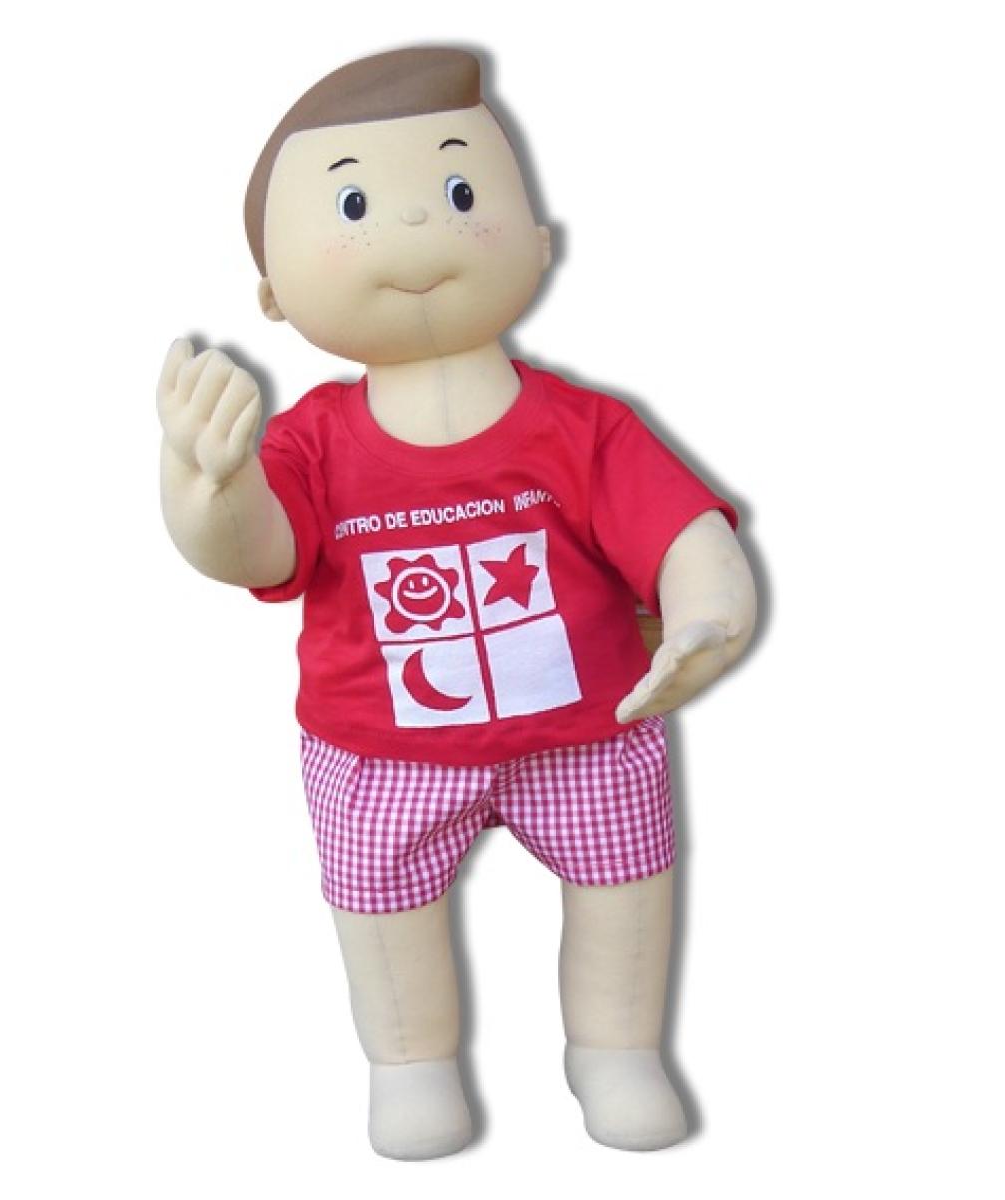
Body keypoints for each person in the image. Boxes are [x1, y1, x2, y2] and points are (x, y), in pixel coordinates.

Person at [155, 46, 758, 1159]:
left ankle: (615, 1049)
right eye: (353, 205)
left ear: (538, 239)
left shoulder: (584, 428)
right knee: (384, 916)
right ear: (274, 295)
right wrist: (208, 490)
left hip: (589, 733)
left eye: (459, 188)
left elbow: (680, 532)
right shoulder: (311, 443)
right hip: (381, 748)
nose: (413, 226)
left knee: (625, 890)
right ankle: (410, 1062)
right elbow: (256, 551)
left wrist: (707, 614)